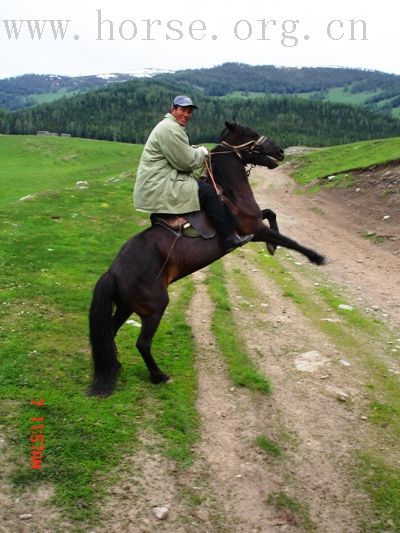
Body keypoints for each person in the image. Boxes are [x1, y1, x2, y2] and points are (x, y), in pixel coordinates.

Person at [133, 95, 253, 251]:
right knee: (209, 193)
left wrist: (192, 151)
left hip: (159, 180)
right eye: (182, 110)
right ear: (173, 109)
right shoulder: (171, 129)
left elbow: (180, 153)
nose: (186, 115)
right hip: (160, 184)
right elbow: (186, 163)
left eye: (189, 111)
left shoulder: (170, 126)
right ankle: (228, 239)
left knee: (203, 187)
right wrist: (201, 152)